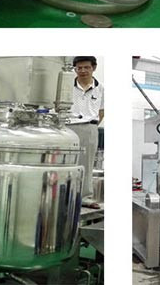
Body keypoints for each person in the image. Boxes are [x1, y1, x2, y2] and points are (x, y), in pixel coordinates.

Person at [68, 56, 104, 207]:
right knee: (67, 162)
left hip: (89, 128)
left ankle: (84, 197)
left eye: (86, 67)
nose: (83, 71)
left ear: (93, 68)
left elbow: (102, 111)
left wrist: (91, 126)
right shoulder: (66, 86)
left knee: (86, 164)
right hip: (68, 128)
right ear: (75, 69)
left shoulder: (100, 89)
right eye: (79, 68)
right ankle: (65, 196)